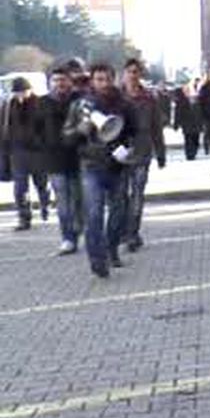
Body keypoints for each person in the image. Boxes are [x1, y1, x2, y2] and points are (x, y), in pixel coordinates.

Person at [63, 63, 137, 278]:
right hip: (91, 166)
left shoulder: (123, 104)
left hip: (117, 165)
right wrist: (80, 130)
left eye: (106, 79)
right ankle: (97, 260)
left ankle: (111, 248)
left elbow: (136, 131)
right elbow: (67, 137)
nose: (103, 84)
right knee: (93, 214)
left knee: (118, 213)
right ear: (92, 81)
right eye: (99, 79)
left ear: (113, 79)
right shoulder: (80, 106)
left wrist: (130, 150)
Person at [120, 59, 167, 252]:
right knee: (120, 196)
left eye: (136, 72)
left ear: (140, 75)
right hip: (120, 153)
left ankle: (132, 233)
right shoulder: (116, 97)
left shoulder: (148, 98)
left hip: (142, 151)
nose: (132, 75)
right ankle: (124, 230)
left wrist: (161, 152)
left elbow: (157, 127)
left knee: (137, 194)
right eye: (129, 71)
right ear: (124, 74)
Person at [42, 65, 82, 254]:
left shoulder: (79, 101)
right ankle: (68, 238)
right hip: (54, 160)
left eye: (63, 80)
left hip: (77, 158)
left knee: (78, 201)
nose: (60, 84)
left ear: (70, 82)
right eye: (56, 80)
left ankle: (78, 228)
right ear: (50, 83)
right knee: (63, 204)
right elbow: (35, 130)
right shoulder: (42, 103)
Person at [2, 77, 51, 230]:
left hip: (38, 152)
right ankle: (24, 218)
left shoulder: (41, 104)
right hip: (18, 151)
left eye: (23, 92)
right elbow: (3, 126)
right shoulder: (8, 106)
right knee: (20, 188)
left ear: (30, 90)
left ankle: (45, 205)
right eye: (17, 93)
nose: (20, 95)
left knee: (41, 184)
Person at [172, 82, 203, 161]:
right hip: (187, 124)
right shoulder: (181, 102)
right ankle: (189, 154)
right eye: (185, 90)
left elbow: (201, 112)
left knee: (196, 139)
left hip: (196, 124)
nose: (187, 92)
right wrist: (176, 124)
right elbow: (177, 113)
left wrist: (203, 123)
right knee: (188, 139)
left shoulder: (197, 100)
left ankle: (194, 152)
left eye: (188, 90)